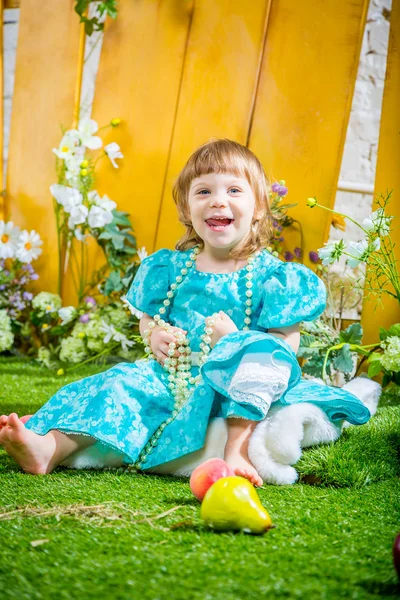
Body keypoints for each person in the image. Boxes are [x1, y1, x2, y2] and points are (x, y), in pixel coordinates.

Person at [0, 139, 371, 485]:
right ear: (187, 208)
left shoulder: (274, 276)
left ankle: (237, 451)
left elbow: (284, 347)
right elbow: (150, 318)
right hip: (173, 377)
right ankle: (49, 448)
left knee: (260, 359)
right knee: (117, 385)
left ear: (258, 209)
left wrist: (236, 344)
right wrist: (154, 334)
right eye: (204, 191)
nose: (217, 201)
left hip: (237, 385)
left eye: (234, 191)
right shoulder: (172, 268)